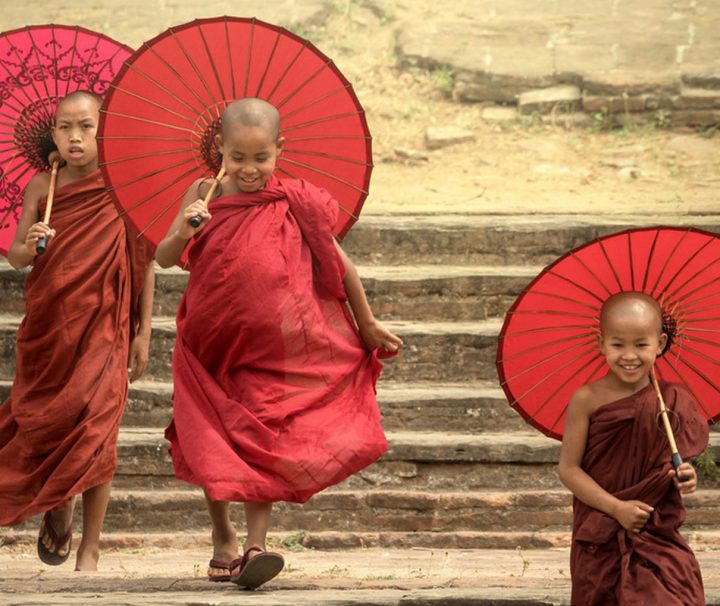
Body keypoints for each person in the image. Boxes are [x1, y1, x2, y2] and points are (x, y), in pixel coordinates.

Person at [155, 98, 402, 588]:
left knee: (259, 436)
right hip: (210, 344)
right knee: (210, 437)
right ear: (219, 149)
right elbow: (163, 257)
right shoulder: (202, 193)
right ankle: (222, 534)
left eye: (260, 158)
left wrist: (367, 323)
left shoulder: (296, 198)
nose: (249, 169)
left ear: (279, 150)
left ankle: (255, 546)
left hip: (272, 350)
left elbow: (339, 263)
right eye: (238, 158)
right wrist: (187, 227)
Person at [0, 91, 155, 571]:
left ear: (102, 130)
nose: (74, 137)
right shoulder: (40, 188)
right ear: (53, 134)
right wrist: (31, 244)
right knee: (48, 425)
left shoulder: (124, 187)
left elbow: (146, 263)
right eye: (64, 127)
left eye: (85, 126)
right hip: (50, 329)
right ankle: (59, 504)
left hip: (105, 326)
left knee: (99, 431)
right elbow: (16, 257)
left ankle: (90, 548)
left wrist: (143, 332)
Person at [558, 291, 709, 605]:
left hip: (654, 529)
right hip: (602, 528)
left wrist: (685, 476)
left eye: (641, 344)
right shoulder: (586, 399)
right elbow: (568, 470)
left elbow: (665, 466)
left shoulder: (672, 399)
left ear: (661, 343)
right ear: (601, 343)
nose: (630, 355)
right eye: (617, 344)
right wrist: (617, 509)